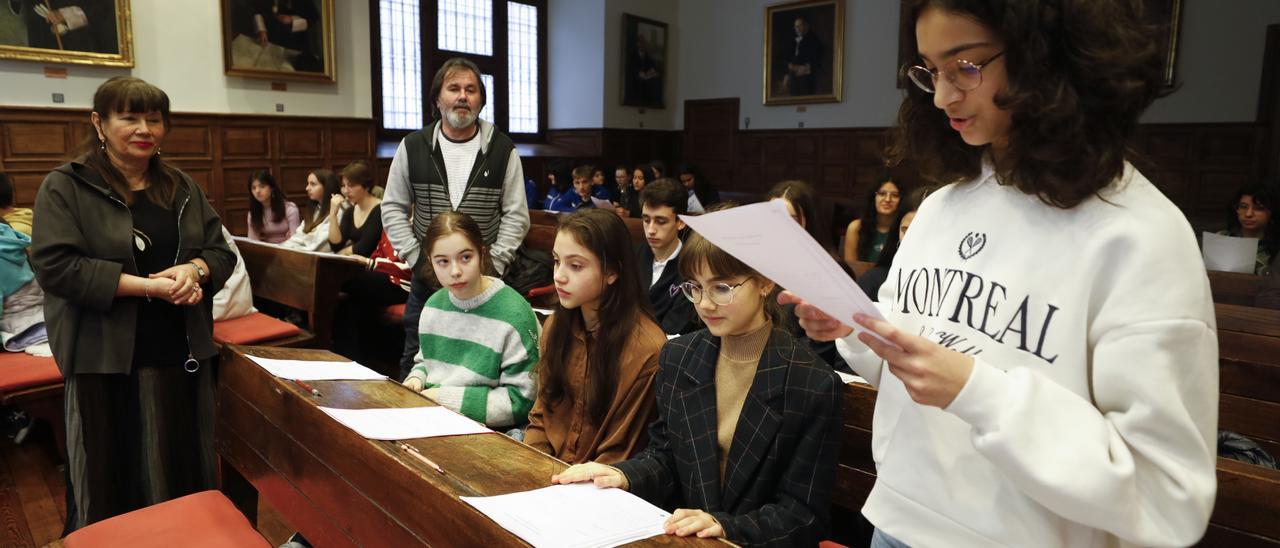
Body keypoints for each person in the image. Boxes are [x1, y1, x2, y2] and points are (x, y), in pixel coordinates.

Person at [784, 2, 1217, 546]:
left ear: (1050, 58)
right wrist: (855, 326)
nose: (942, 96)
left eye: (965, 66)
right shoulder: (942, 208)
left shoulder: (1139, 234)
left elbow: (1167, 495)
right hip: (898, 519)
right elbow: (908, 367)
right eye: (929, 71)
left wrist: (977, 390)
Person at [30, 76, 234, 532]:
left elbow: (220, 253)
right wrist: (148, 287)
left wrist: (194, 271)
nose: (144, 128)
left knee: (182, 473)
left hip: (181, 351)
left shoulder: (181, 187)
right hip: (102, 355)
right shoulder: (66, 186)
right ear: (99, 123)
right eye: (129, 117)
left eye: (155, 119)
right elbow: (57, 267)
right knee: (107, 478)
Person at [552, 229, 842, 546]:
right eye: (695, 288)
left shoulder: (811, 383)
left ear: (764, 282)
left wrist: (726, 527)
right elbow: (667, 457)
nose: (704, 304)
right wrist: (624, 475)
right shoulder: (680, 356)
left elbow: (803, 514)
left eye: (721, 288)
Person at [383, 57, 530, 382]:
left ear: (480, 100)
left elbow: (517, 215)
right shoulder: (413, 146)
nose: (463, 96)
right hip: (426, 278)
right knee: (417, 359)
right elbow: (392, 207)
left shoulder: (503, 150)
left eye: (471, 89)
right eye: (454, 88)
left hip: (484, 278)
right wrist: (418, 258)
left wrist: (495, 263)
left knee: (481, 364)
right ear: (438, 99)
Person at [524, 209, 666, 464]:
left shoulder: (647, 348)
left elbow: (620, 450)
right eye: (557, 261)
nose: (559, 276)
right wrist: (534, 467)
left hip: (599, 485)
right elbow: (540, 417)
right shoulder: (556, 326)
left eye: (575, 266)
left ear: (612, 272)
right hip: (547, 469)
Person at [403, 211, 539, 434]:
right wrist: (417, 379)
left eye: (466, 257)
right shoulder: (433, 306)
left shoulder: (513, 314)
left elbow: (522, 401)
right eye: (443, 262)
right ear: (431, 262)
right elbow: (426, 362)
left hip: (497, 432)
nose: (455, 271)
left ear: (482, 254)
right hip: (435, 417)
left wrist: (444, 398)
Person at [637, 178, 698, 336]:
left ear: (681, 222)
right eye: (646, 220)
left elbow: (675, 328)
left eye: (661, 221)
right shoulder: (634, 255)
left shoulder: (692, 268)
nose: (651, 230)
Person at [1218, 183, 1277, 276]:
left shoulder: (1276, 246)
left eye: (1259, 208)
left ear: (1272, 212)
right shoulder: (1222, 238)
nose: (1248, 214)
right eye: (1243, 207)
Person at [843, 176, 903, 266]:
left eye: (895, 195)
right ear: (873, 197)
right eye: (882, 194)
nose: (887, 199)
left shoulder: (905, 229)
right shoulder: (856, 227)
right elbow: (851, 269)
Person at [328, 161, 381, 256]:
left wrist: (339, 255)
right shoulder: (350, 211)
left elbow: (364, 248)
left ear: (366, 186)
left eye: (351, 185)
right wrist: (332, 215)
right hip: (355, 263)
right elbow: (336, 246)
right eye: (344, 186)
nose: (346, 191)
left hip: (375, 264)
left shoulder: (380, 209)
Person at [280, 168, 340, 251]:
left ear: (327, 186)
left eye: (313, 184)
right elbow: (298, 237)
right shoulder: (315, 208)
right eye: (308, 184)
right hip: (304, 255)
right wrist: (280, 248)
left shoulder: (338, 210)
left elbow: (319, 246)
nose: (307, 188)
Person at [245, 170, 299, 244]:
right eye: (253, 188)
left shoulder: (290, 209)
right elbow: (253, 242)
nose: (257, 191)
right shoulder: (252, 213)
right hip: (268, 251)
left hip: (289, 249)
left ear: (272, 188)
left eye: (262, 186)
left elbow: (296, 240)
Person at [784, 15, 822, 96]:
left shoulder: (814, 40)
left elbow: (816, 61)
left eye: (799, 25)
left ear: (806, 26)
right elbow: (789, 57)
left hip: (806, 78)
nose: (797, 28)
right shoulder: (794, 40)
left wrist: (802, 68)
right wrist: (788, 69)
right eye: (795, 26)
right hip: (794, 77)